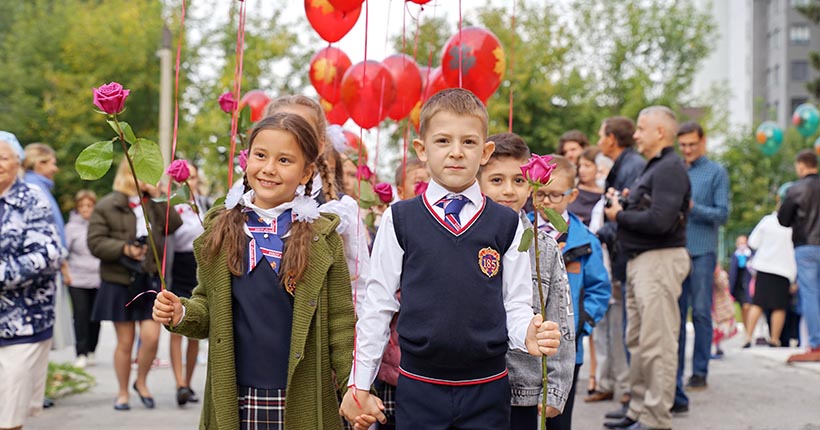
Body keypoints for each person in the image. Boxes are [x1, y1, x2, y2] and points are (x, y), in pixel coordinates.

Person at [339, 89, 562, 430]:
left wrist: (527, 333)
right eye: (443, 140)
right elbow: (378, 305)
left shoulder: (506, 223)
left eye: (469, 142)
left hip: (488, 387)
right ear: (422, 149)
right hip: (419, 386)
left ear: (485, 152)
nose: (456, 152)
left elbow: (515, 305)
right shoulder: (400, 219)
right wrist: (360, 383)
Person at [153, 113, 356, 430]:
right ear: (247, 160)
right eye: (260, 155)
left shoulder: (322, 238)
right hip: (237, 397)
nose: (269, 168)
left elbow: (341, 324)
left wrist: (353, 389)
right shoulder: (222, 230)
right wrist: (182, 313)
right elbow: (207, 306)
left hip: (304, 398)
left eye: (284, 160)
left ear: (306, 172)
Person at [478, 132, 576, 429]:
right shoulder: (465, 239)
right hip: (473, 385)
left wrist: (555, 389)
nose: (508, 190)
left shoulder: (543, 247)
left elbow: (560, 318)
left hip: (523, 388)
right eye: (496, 180)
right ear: (478, 181)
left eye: (519, 180)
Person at [603, 106, 691, 430]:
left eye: (641, 128)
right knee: (639, 342)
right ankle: (638, 410)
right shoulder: (655, 167)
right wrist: (628, 203)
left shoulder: (669, 168)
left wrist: (619, 214)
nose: (636, 135)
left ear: (660, 132)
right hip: (642, 261)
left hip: (659, 261)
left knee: (657, 345)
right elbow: (652, 211)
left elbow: (660, 221)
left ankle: (655, 418)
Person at [87, 159, 182, 411]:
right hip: (119, 280)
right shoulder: (108, 205)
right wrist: (124, 248)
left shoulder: (152, 204)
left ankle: (141, 381)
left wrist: (159, 197)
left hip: (148, 279)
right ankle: (122, 392)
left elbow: (174, 225)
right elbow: (95, 242)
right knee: (125, 341)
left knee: (151, 338)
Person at [265, 95, 370, 316]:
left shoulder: (339, 209)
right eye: (278, 128)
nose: (288, 138)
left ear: (320, 145)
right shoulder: (245, 203)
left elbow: (359, 286)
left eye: (301, 131)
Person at [536, 155, 611, 430]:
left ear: (572, 195)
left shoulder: (586, 241)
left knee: (558, 419)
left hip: (568, 348)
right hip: (527, 347)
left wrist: (581, 325)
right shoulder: (520, 231)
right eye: (540, 194)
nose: (546, 202)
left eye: (555, 195)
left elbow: (599, 290)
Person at [0, 131, 64, 430]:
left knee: (8, 415)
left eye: (3, 157)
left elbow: (49, 254)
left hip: (22, 322)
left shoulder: (33, 198)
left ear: (19, 162)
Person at [673, 121, 729, 410]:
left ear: (703, 142)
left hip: (703, 251)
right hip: (676, 251)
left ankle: (699, 372)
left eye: (692, 144)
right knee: (677, 315)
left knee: (702, 313)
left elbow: (723, 214)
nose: (687, 150)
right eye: (683, 145)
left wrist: (694, 207)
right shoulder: (675, 170)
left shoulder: (716, 172)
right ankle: (675, 374)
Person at [594, 116, 644, 418]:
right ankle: (632, 399)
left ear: (612, 138)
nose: (599, 140)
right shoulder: (624, 165)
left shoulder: (631, 166)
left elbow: (626, 211)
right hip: (621, 254)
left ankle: (634, 399)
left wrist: (599, 233)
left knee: (632, 331)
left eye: (601, 134)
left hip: (629, 253)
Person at [23, 143, 75, 355]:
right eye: (52, 163)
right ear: (39, 163)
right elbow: (49, 233)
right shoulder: (35, 190)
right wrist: (63, 263)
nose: (55, 169)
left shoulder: (39, 188)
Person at [778, 149, 820, 362]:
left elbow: (783, 220)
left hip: (806, 246)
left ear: (801, 166)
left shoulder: (796, 189)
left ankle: (816, 344)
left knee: (811, 295)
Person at [169, 164, 205, 407]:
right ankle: (179, 382)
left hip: (198, 265)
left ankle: (188, 383)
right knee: (176, 323)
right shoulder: (171, 204)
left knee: (194, 325)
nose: (188, 182)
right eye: (183, 177)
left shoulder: (204, 202)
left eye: (191, 177)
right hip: (178, 264)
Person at [743, 187, 796, 349]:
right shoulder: (795, 225)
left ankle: (748, 337)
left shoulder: (767, 221)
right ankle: (774, 339)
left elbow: (752, 242)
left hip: (765, 266)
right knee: (779, 306)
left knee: (758, 303)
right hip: (785, 270)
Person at [64, 190, 101, 369]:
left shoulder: (100, 225)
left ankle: (92, 349)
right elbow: (64, 252)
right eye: (82, 206)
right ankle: (81, 352)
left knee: (95, 317)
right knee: (80, 315)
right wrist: (66, 275)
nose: (85, 209)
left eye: (89, 205)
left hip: (98, 278)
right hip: (77, 278)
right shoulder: (71, 228)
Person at [568, 147, 605, 226]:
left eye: (587, 166)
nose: (581, 170)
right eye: (580, 166)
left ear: (599, 167)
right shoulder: (572, 188)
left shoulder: (605, 194)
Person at [728, 235, 753, 328]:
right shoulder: (735, 256)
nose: (741, 245)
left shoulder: (751, 255)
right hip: (736, 286)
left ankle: (748, 329)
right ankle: (746, 327)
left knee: (746, 307)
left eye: (743, 242)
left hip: (747, 286)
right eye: (739, 243)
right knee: (740, 308)